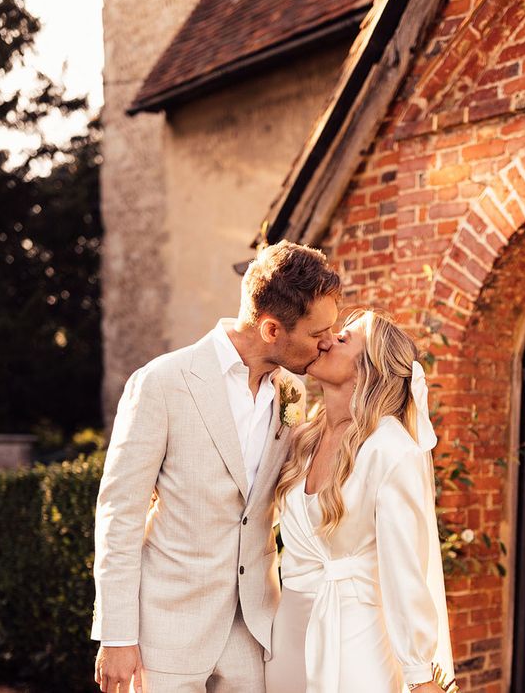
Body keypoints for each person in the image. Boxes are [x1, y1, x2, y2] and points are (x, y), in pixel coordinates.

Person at [91, 241, 341, 693]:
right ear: (270, 329)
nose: (327, 343)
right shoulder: (162, 383)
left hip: (254, 631)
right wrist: (117, 635)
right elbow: (119, 514)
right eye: (316, 332)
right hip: (167, 632)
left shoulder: (293, 394)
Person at [265, 310, 456, 693]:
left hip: (354, 645)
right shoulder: (301, 441)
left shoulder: (391, 450)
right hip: (286, 638)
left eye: (344, 338)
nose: (328, 338)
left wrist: (420, 677)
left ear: (369, 369)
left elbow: (405, 568)